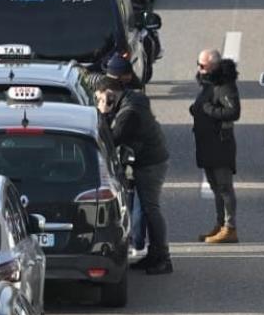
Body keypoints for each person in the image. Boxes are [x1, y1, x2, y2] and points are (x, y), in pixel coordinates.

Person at [95, 77, 172, 274]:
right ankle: (154, 255)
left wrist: (104, 113)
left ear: (110, 95)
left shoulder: (128, 112)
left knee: (151, 208)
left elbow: (111, 140)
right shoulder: (132, 100)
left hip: (150, 162)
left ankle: (163, 257)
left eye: (100, 98)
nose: (98, 103)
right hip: (149, 158)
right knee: (148, 208)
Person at [190, 49, 241, 243]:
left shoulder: (224, 85)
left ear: (214, 66)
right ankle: (220, 225)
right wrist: (196, 109)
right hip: (207, 143)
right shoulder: (208, 83)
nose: (199, 68)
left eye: (202, 66)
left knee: (224, 187)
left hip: (220, 144)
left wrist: (207, 109)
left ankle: (230, 227)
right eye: (198, 64)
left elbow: (233, 112)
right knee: (215, 187)